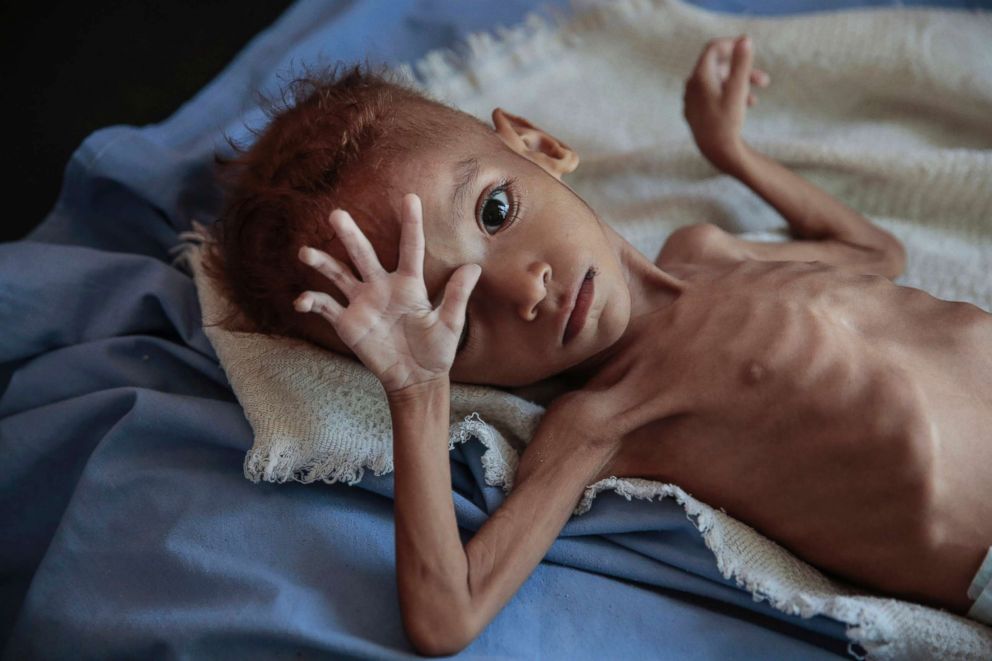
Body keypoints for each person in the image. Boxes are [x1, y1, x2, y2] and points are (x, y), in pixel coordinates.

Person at [203, 34, 992, 655]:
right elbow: (447, 614)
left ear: (539, 144)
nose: (526, 289)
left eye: (495, 211)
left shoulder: (710, 247)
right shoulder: (605, 417)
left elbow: (873, 255)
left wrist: (734, 155)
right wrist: (416, 388)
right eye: (458, 312)